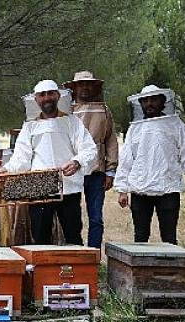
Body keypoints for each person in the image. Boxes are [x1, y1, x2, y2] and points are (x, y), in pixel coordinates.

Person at [0, 79, 97, 246]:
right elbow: (21, 159)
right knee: (40, 238)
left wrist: (77, 162)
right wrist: (5, 169)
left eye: (50, 93)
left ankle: (77, 270)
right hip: (39, 187)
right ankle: (43, 272)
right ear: (36, 99)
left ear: (58, 96)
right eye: (42, 95)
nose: (47, 98)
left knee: (73, 235)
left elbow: (89, 149)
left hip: (68, 186)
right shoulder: (29, 127)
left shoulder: (72, 122)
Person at [114, 85, 185, 244]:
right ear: (140, 104)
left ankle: (170, 268)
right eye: (146, 100)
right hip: (140, 190)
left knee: (169, 237)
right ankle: (141, 269)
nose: (149, 103)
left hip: (168, 188)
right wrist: (122, 190)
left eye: (154, 99)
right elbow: (126, 160)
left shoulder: (176, 125)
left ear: (163, 101)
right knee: (140, 237)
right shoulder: (135, 128)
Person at [63, 71, 119, 250]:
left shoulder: (103, 109)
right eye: (81, 84)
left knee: (95, 217)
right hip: (71, 171)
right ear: (74, 88)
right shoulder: (66, 111)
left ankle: (93, 254)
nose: (85, 87)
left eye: (88, 84)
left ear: (94, 87)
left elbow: (110, 140)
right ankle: (76, 253)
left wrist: (110, 170)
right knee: (71, 216)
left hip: (96, 171)